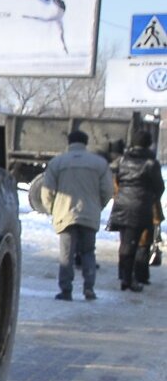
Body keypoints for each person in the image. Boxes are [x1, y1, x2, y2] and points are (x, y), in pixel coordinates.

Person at [28, 129, 118, 301]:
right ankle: (89, 288)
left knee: (66, 254)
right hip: (90, 214)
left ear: (69, 143)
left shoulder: (57, 162)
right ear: (85, 143)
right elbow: (107, 190)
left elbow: (46, 191)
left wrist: (52, 209)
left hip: (65, 214)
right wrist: (98, 206)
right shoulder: (99, 163)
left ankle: (66, 290)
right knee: (88, 252)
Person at [109, 130, 164, 292]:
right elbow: (159, 187)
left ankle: (124, 275)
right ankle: (129, 279)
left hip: (121, 205)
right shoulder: (151, 163)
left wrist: (122, 194)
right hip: (140, 206)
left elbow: (116, 180)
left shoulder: (122, 160)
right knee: (137, 244)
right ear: (149, 144)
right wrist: (150, 198)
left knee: (125, 241)